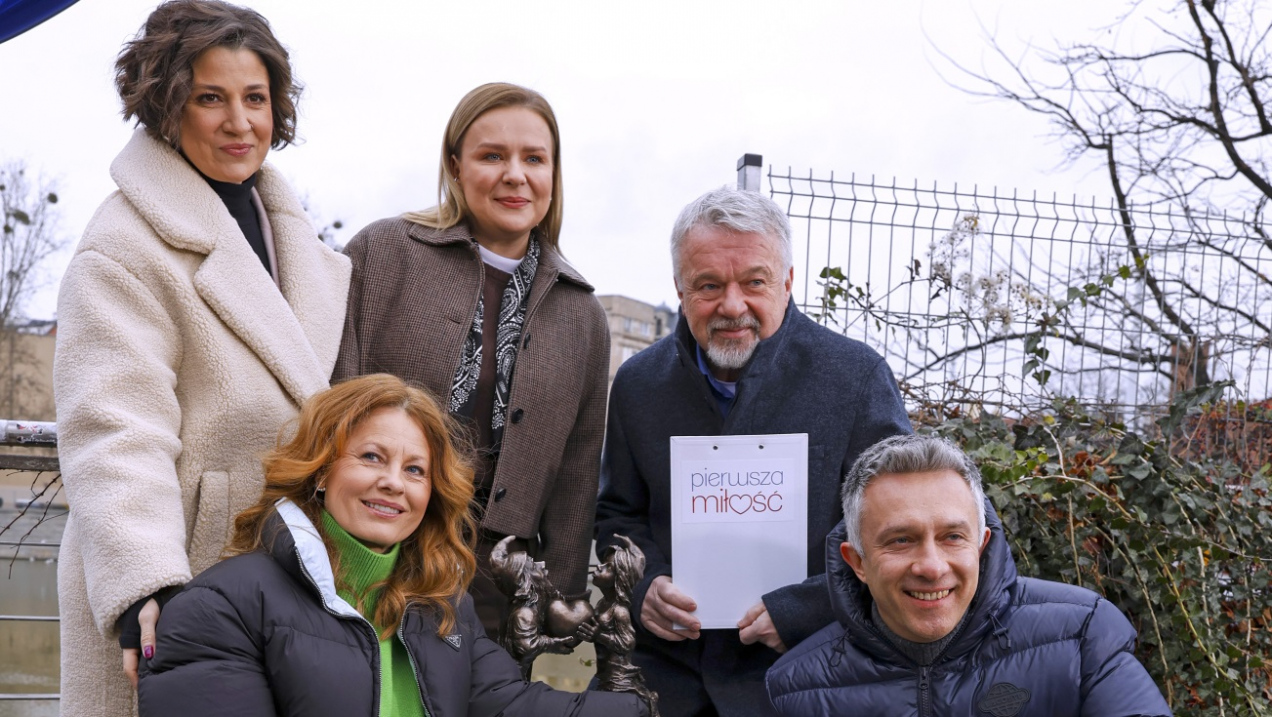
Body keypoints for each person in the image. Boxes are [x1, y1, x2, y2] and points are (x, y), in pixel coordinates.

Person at [52, 2, 350, 714]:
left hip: (274, 583)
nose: (240, 122)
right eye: (210, 98)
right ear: (165, 104)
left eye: (256, 98)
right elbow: (114, 425)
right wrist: (144, 582)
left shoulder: (295, 239)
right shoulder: (122, 245)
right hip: (173, 572)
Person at [136, 374, 647, 716]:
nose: (393, 483)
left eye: (415, 470)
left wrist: (637, 708)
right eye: (372, 457)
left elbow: (504, 705)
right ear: (320, 471)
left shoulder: (443, 604)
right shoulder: (223, 605)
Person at [594, 186, 912, 716]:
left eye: (754, 282)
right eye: (709, 285)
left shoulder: (855, 379)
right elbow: (618, 516)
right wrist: (643, 586)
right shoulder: (638, 385)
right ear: (679, 289)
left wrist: (806, 610)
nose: (732, 305)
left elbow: (896, 527)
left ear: (787, 282)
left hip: (807, 668)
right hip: (667, 671)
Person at [333, 82, 609, 638]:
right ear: (455, 165)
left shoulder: (583, 315)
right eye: (492, 156)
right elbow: (330, 406)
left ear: (554, 174)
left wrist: (564, 596)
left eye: (534, 159)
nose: (515, 175)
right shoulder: (383, 254)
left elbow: (577, 474)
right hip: (364, 554)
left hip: (494, 587)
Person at [765, 434, 1173, 716]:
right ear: (857, 562)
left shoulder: (1082, 636)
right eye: (901, 540)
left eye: (952, 537)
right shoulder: (794, 689)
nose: (931, 566)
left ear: (980, 545)